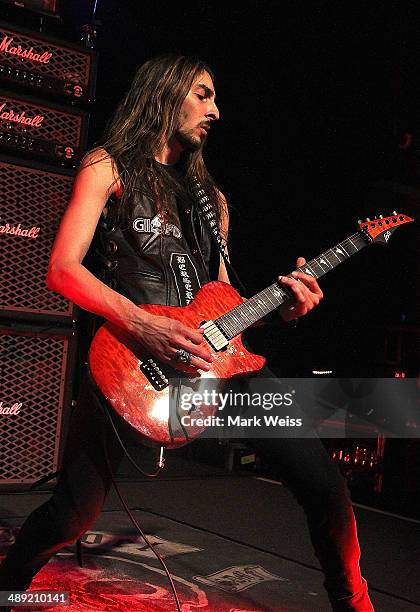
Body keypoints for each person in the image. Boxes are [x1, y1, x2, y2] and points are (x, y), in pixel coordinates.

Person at [0, 54, 374, 611]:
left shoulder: (211, 200)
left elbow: (224, 299)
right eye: (203, 94)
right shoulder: (109, 165)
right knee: (73, 512)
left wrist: (283, 310)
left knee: (325, 485)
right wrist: (140, 322)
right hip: (129, 359)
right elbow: (62, 268)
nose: (216, 110)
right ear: (164, 92)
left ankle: (356, 604)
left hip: (217, 364)